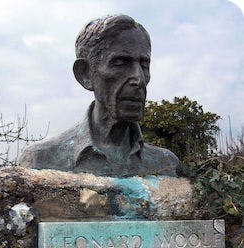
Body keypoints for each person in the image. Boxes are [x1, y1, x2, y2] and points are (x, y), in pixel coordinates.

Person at [19, 15, 179, 177]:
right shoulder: (41, 161)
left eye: (144, 65)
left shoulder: (166, 165)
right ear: (85, 74)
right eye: (120, 63)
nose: (139, 79)